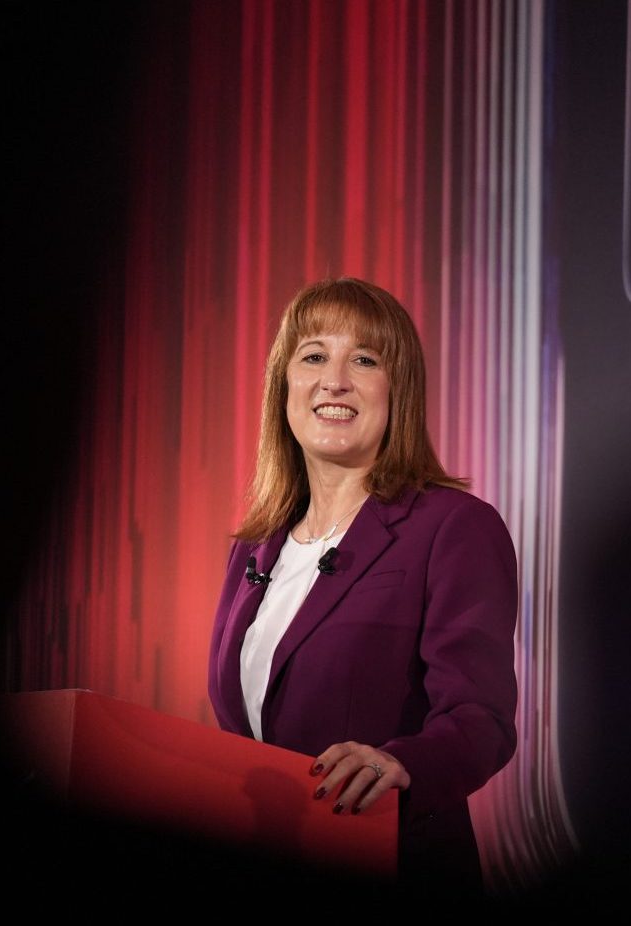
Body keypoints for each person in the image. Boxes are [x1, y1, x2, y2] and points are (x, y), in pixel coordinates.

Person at [206, 276, 519, 891]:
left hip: (396, 862)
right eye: (314, 355)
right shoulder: (255, 544)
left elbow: (481, 719)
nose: (335, 380)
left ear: (396, 389)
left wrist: (400, 763)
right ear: (285, 384)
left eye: (365, 360)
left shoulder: (454, 526)